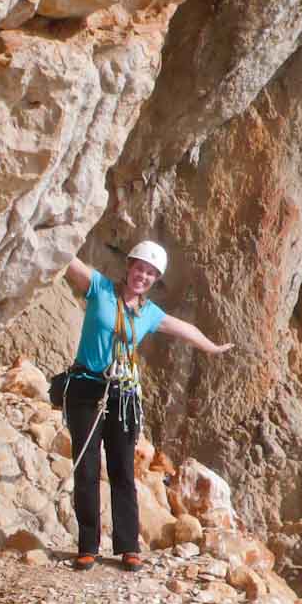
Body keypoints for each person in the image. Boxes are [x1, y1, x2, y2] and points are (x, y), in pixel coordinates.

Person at [62, 240, 232, 572]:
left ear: (155, 279)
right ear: (129, 267)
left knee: (123, 471)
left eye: (151, 273)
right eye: (140, 268)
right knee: (86, 469)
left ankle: (128, 547)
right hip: (86, 389)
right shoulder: (99, 288)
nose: (143, 276)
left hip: (122, 395)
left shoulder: (149, 313)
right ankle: (87, 546)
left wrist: (211, 348)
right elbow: (67, 260)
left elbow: (185, 329)